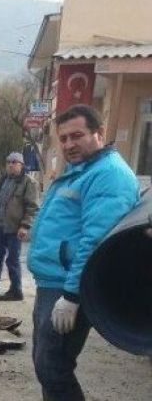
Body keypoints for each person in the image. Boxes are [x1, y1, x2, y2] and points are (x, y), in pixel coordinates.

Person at [28, 104, 138, 401]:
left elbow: (95, 240)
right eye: (63, 139)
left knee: (53, 367)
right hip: (51, 282)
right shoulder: (80, 171)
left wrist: (73, 295)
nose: (68, 144)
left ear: (99, 133)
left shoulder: (109, 175)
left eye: (77, 136)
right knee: (46, 365)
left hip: (68, 286)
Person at [0, 151, 39, 301]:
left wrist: (25, 226)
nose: (11, 165)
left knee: (12, 260)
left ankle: (15, 290)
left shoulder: (28, 182)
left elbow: (32, 207)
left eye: (14, 162)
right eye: (9, 162)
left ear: (22, 165)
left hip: (14, 228)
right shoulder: (4, 179)